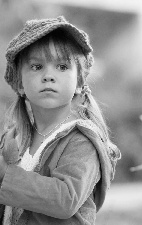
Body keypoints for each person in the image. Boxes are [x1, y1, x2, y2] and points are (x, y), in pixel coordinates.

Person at [0, 16, 121, 224]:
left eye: (62, 67)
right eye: (37, 67)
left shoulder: (82, 140)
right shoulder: (13, 139)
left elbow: (65, 199)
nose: (49, 76)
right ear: (20, 84)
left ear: (79, 82)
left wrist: (4, 175)